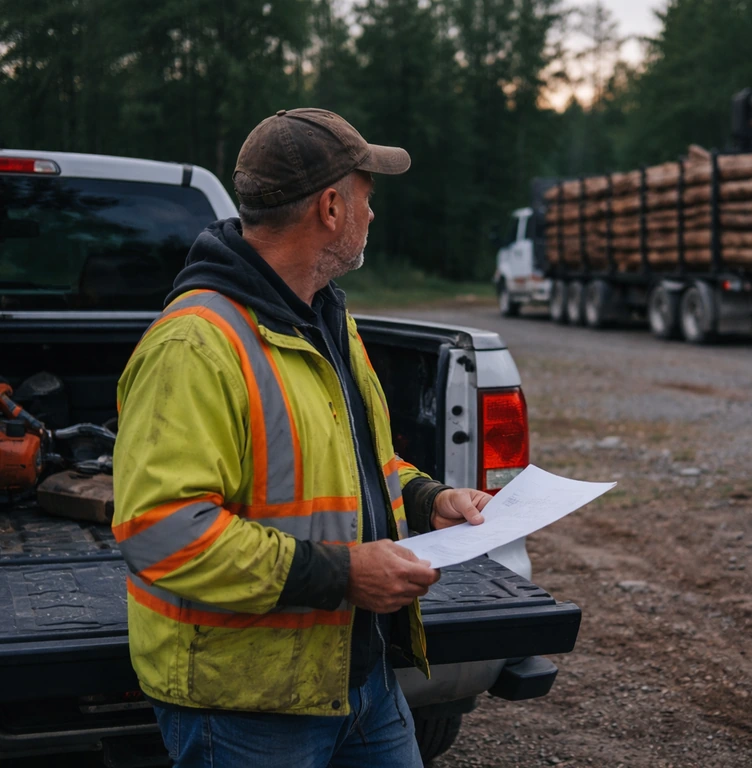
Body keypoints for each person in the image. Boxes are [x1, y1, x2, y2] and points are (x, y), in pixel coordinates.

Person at [112, 108, 491, 768]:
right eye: (367, 197)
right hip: (243, 707)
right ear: (331, 208)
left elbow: (358, 461)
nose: (373, 214)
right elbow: (162, 532)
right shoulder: (195, 346)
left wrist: (429, 498)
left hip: (357, 677)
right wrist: (344, 573)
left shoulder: (325, 320)